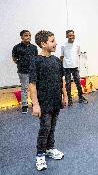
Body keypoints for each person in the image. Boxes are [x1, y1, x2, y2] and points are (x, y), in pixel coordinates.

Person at [29, 30, 68, 171]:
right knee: (44, 128)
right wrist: (35, 105)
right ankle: (40, 155)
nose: (55, 43)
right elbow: (32, 84)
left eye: (54, 40)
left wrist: (65, 96)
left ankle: (50, 148)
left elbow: (61, 80)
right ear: (43, 44)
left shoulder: (56, 60)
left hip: (55, 100)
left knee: (52, 127)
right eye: (52, 41)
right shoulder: (36, 61)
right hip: (43, 102)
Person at [12, 30, 38, 114]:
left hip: (33, 71)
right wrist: (20, 64)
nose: (28, 37)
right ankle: (24, 105)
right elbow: (14, 58)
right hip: (22, 71)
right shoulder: (17, 47)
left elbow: (36, 58)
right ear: (22, 37)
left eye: (29, 35)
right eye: (26, 35)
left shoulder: (34, 47)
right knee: (24, 88)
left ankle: (34, 103)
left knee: (34, 88)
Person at [60, 30, 88, 106]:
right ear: (66, 36)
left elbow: (78, 54)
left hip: (75, 67)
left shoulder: (77, 45)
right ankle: (69, 99)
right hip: (66, 67)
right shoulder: (63, 45)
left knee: (78, 83)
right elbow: (62, 56)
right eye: (69, 35)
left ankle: (81, 97)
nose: (71, 37)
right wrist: (60, 66)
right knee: (68, 84)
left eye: (73, 35)